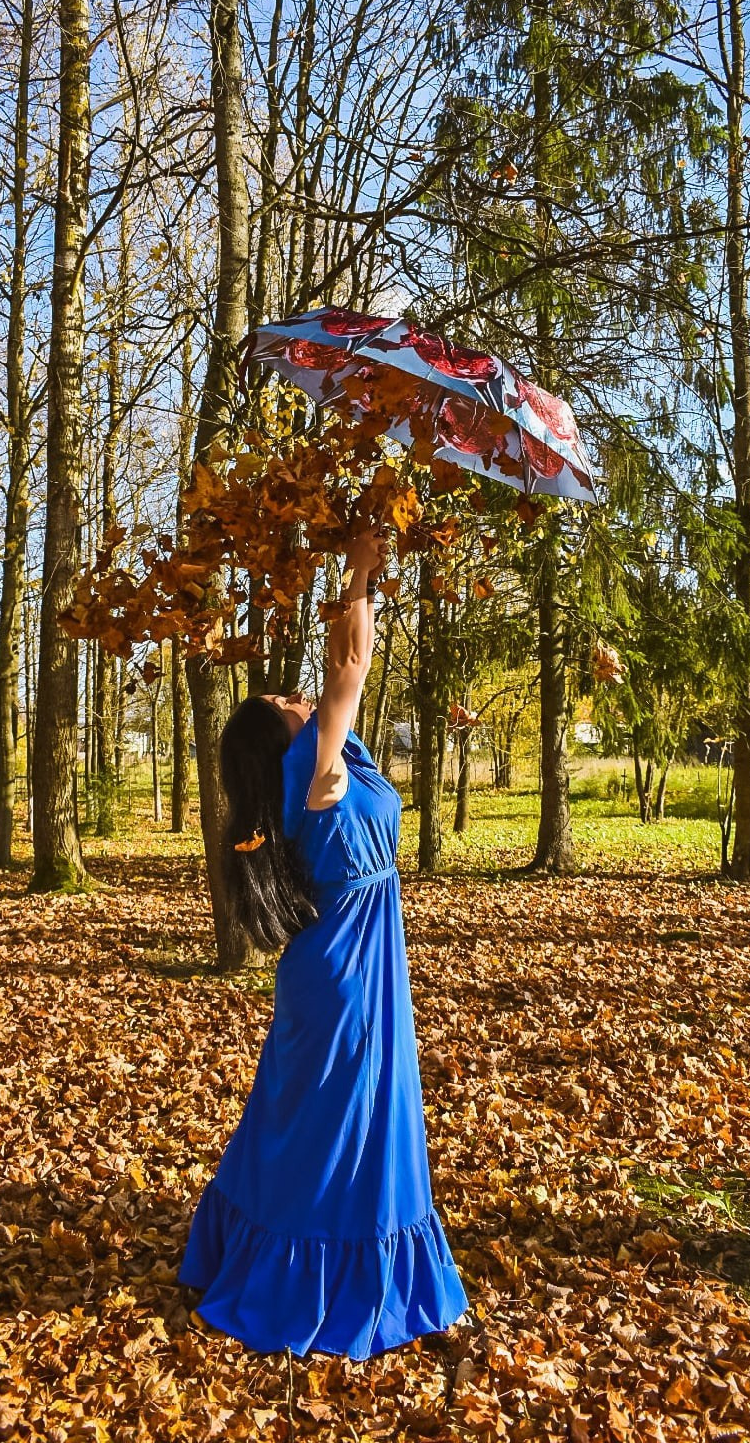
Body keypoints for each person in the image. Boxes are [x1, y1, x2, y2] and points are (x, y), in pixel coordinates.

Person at [177, 520, 471, 1358]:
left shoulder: (319, 764)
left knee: (303, 1116)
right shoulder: (313, 767)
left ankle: (251, 1247)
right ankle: (311, 1277)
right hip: (345, 980)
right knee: (340, 1124)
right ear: (282, 736)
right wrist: (360, 571)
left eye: (296, 697)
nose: (300, 697)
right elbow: (349, 666)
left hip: (344, 969)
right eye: (286, 704)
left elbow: (342, 683)